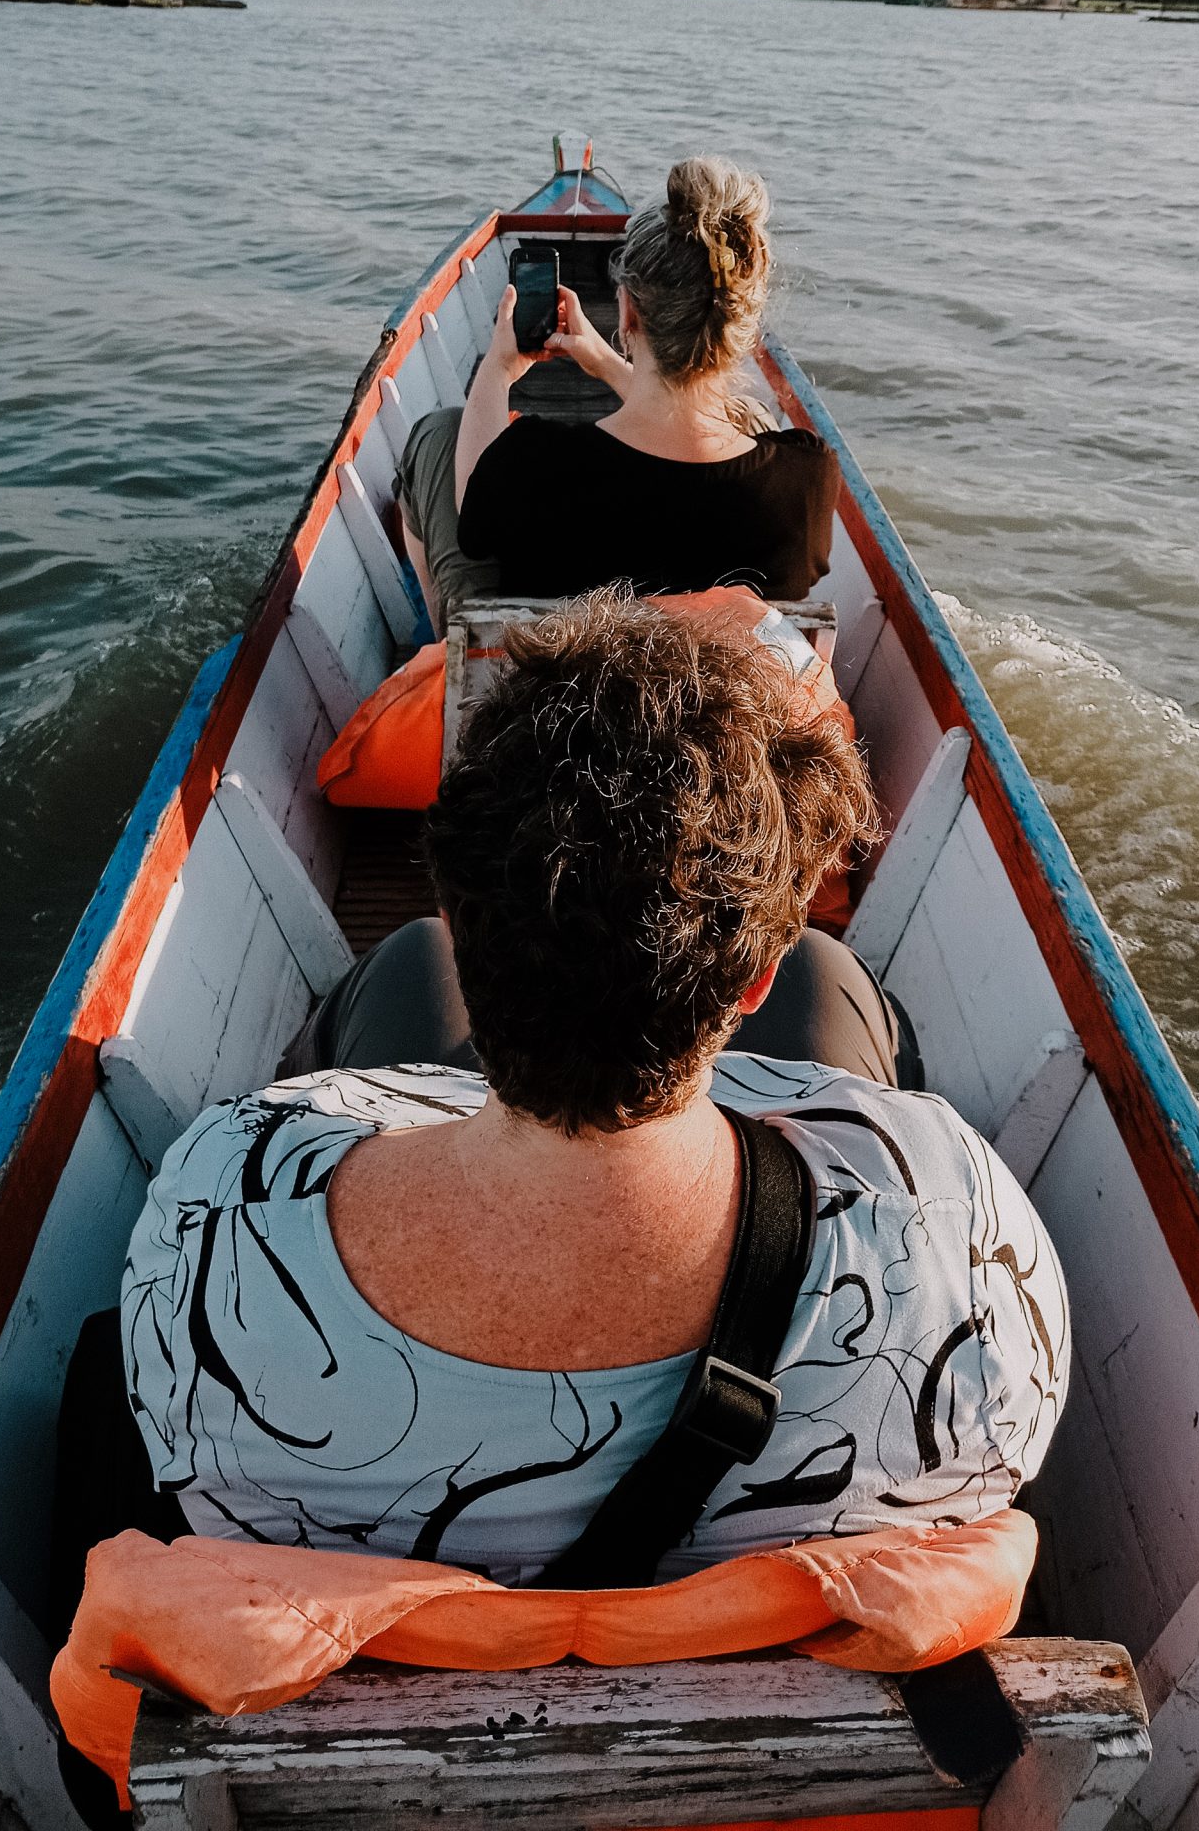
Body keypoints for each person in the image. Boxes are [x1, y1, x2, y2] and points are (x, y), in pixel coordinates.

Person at [117, 592, 1069, 1583]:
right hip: (776, 1640)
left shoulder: (214, 1221)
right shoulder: (965, 1246)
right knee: (832, 981)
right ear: (751, 981)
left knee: (403, 965)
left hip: (379, 1650)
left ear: (470, 924)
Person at [399, 158, 838, 625]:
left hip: (553, 669)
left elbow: (470, 506)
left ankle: (440, 645)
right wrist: (607, 364)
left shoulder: (534, 466)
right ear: (744, 326)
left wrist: (498, 368)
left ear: (627, 313)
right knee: (749, 418)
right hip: (719, 670)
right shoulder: (806, 482)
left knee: (441, 433)